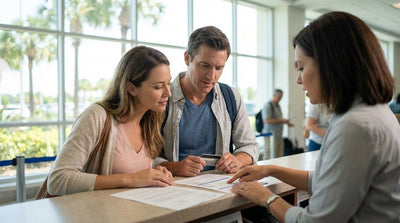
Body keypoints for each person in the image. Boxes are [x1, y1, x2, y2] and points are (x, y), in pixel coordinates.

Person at [228, 11, 400, 222]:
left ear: (331, 64)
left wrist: (267, 198)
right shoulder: (372, 112)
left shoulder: (355, 126)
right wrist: (271, 170)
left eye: (301, 67)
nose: (299, 80)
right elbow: (326, 181)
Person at [47, 46, 174, 195]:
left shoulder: (149, 120)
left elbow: (133, 164)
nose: (168, 93)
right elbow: (57, 180)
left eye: (168, 83)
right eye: (158, 86)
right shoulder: (96, 117)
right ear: (131, 88)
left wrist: (157, 172)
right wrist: (130, 179)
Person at [155, 26, 259, 177]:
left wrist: (237, 160)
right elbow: (142, 156)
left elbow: (250, 146)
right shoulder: (163, 97)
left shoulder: (231, 97)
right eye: (205, 66)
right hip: (173, 187)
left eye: (219, 68)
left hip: (217, 187)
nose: (211, 76)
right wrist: (175, 167)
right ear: (187, 58)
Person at [261, 89, 293, 159]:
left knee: (279, 155)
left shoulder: (278, 106)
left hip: (278, 134)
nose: (280, 99)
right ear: (274, 95)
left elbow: (278, 119)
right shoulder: (268, 106)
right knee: (269, 154)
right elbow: (267, 120)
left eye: (281, 97)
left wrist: (286, 122)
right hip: (270, 135)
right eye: (279, 97)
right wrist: (281, 120)